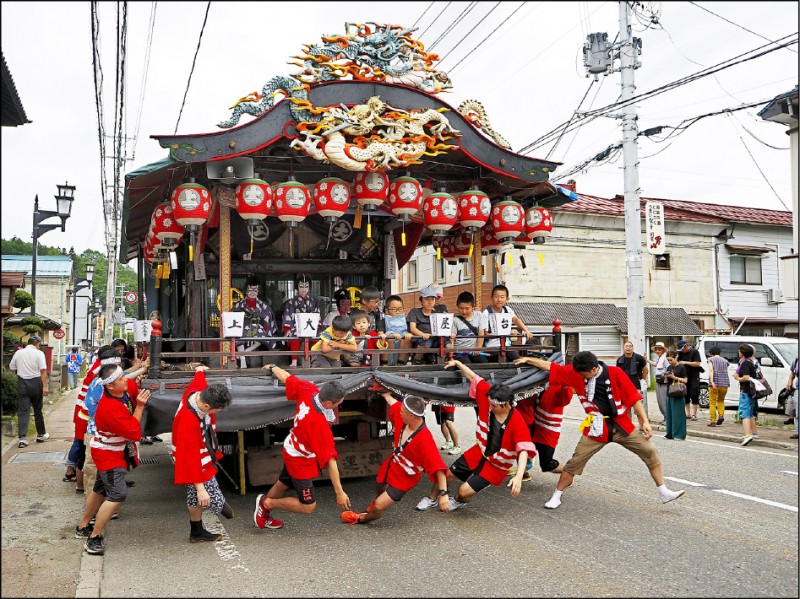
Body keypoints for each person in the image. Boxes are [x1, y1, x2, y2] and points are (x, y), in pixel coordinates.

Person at [531, 351, 685, 510]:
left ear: (593, 368)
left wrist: (644, 421)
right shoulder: (577, 372)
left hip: (620, 424)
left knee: (650, 450)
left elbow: (633, 398)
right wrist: (528, 359)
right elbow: (552, 367)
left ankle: (663, 491)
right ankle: (557, 495)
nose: (582, 377)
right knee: (575, 462)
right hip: (596, 427)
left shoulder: (615, 373)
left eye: (585, 374)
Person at [415, 358, 535, 511]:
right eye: (489, 403)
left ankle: (458, 500)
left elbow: (523, 450)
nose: (489, 407)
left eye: (494, 405)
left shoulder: (517, 421)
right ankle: (431, 498)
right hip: (479, 452)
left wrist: (518, 475)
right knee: (449, 474)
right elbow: (475, 378)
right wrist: (458, 363)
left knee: (463, 492)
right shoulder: (488, 397)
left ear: (507, 404)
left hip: (497, 465)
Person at [253, 364, 351, 529]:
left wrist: (273, 367)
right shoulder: (318, 424)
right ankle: (266, 504)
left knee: (282, 483)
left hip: (293, 445)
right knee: (308, 506)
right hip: (299, 458)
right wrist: (339, 492)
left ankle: (263, 513)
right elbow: (330, 461)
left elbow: (288, 378)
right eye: (338, 403)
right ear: (328, 402)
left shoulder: (309, 390)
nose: (339, 405)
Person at [75, 364, 151, 555]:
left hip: (107, 450)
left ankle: (83, 526)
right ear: (110, 386)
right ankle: (94, 536)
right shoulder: (111, 407)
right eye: (121, 379)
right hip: (108, 454)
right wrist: (140, 407)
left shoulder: (114, 397)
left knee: (100, 489)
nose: (125, 380)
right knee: (118, 494)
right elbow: (133, 432)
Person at [341, 392, 450, 524]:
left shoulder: (425, 440)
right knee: (380, 485)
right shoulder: (405, 419)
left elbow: (439, 468)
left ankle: (361, 519)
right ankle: (378, 502)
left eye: (402, 412)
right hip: (393, 463)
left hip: (405, 476)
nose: (399, 413)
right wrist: (385, 394)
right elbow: (394, 404)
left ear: (411, 416)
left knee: (378, 506)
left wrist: (443, 494)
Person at [171, 364, 234, 543]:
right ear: (207, 405)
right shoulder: (187, 421)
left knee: (193, 499)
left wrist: (199, 370)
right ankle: (218, 505)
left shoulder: (196, 394)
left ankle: (196, 531)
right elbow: (189, 457)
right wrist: (200, 488)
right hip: (191, 457)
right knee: (210, 497)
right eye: (216, 410)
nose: (217, 413)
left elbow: (198, 382)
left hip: (201, 450)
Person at [513, 356, 573, 479]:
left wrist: (566, 384)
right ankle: (523, 472)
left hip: (547, 429)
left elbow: (565, 399)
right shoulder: (531, 382)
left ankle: (569, 473)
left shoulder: (559, 384)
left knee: (547, 464)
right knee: (521, 444)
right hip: (532, 423)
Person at [9, 336, 49, 448]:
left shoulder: (18, 353)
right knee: (37, 409)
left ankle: (22, 438)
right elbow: (43, 370)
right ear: (37, 344)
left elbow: (12, 367)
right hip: (36, 382)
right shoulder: (39, 353)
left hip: (22, 382)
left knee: (23, 410)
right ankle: (41, 434)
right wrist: (45, 386)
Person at [231, 275, 278, 369]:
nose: (253, 292)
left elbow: (268, 319)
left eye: (255, 290)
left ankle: (244, 352)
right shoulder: (239, 305)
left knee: (263, 333)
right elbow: (232, 318)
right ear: (246, 290)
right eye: (250, 290)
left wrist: (264, 326)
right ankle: (243, 359)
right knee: (236, 333)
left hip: (257, 331)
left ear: (258, 291)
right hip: (243, 330)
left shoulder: (263, 306)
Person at [482, 284, 533, 363]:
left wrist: (526, 330)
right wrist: (508, 333)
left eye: (502, 297)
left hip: (507, 346)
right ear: (491, 298)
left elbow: (515, 319)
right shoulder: (486, 312)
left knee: (514, 356)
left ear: (507, 299)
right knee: (515, 358)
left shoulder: (507, 309)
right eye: (496, 297)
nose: (499, 300)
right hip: (491, 347)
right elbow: (484, 333)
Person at [281, 273, 321, 367]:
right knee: (294, 337)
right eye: (301, 286)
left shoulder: (313, 302)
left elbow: (317, 316)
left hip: (311, 327)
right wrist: (288, 330)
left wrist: (317, 326)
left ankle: (314, 360)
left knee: (318, 337)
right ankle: (294, 360)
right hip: (296, 327)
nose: (304, 289)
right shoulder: (291, 302)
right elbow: (288, 317)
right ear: (297, 287)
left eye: (306, 286)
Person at [407, 286, 452, 365]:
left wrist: (450, 333)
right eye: (427, 299)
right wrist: (423, 334)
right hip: (422, 338)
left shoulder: (439, 313)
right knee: (426, 344)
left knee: (448, 345)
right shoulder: (414, 312)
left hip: (437, 338)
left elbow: (446, 326)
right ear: (421, 301)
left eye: (432, 299)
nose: (430, 302)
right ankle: (416, 360)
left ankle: (445, 361)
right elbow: (413, 328)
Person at [733, 343, 760, 446]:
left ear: (743, 353)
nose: (738, 352)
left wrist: (738, 378)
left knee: (744, 414)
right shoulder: (751, 362)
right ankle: (753, 433)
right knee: (751, 413)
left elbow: (746, 377)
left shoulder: (744, 363)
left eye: (740, 351)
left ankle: (747, 435)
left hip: (745, 391)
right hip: (752, 391)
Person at [450, 291, 488, 364]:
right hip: (459, 352)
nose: (464, 311)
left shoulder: (479, 315)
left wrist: (478, 348)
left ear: (473, 307)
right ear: (457, 306)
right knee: (466, 363)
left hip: (474, 351)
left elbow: (481, 333)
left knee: (483, 361)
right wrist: (451, 355)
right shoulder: (455, 320)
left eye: (467, 309)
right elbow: (452, 339)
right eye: (461, 308)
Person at [616, 341, 649, 417]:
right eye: (626, 346)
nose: (628, 348)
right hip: (624, 388)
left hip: (636, 386)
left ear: (632, 348)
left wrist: (642, 380)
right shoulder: (620, 360)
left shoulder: (639, 358)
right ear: (623, 348)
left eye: (630, 346)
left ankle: (642, 427)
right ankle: (629, 427)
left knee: (639, 409)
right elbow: (617, 374)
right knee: (627, 408)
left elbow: (645, 370)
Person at [379, 295, 412, 365]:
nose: (397, 312)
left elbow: (409, 333)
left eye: (400, 309)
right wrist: (392, 335)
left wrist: (408, 335)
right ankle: (385, 362)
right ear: (387, 310)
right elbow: (380, 335)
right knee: (390, 337)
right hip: (387, 350)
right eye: (394, 309)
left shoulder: (406, 321)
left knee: (407, 338)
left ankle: (400, 362)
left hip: (401, 348)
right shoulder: (382, 321)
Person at [663, 351, 688, 441]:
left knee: (678, 414)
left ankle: (679, 434)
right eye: (668, 360)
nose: (670, 362)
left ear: (676, 357)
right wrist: (666, 377)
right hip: (669, 392)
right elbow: (666, 381)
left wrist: (675, 377)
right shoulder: (669, 367)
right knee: (670, 414)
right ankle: (670, 433)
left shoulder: (681, 367)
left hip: (678, 392)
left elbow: (685, 380)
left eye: (671, 359)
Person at [676, 339, 703, 421]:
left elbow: (697, 363)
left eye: (682, 349)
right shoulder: (680, 353)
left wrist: (685, 362)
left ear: (686, 346)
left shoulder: (694, 352)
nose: (682, 351)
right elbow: (676, 361)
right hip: (684, 376)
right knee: (685, 394)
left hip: (694, 376)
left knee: (695, 393)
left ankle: (694, 414)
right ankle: (687, 413)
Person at [706, 345, 730, 427]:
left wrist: (712, 381)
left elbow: (711, 370)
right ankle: (721, 415)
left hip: (715, 383)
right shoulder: (725, 361)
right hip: (724, 383)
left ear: (711, 353)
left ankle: (712, 421)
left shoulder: (710, 359)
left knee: (712, 402)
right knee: (721, 400)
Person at [648, 342, 669, 425]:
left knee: (664, 401)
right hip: (659, 381)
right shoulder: (660, 358)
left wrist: (665, 376)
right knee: (660, 401)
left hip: (664, 382)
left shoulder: (665, 358)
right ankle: (665, 417)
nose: (657, 350)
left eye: (659, 349)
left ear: (663, 350)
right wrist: (647, 360)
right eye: (656, 349)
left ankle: (668, 418)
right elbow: (656, 364)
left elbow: (669, 368)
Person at [785, 358, 798, 439]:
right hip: (798, 389)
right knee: (797, 412)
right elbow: (792, 373)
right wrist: (790, 381)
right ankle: (798, 432)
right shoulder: (796, 361)